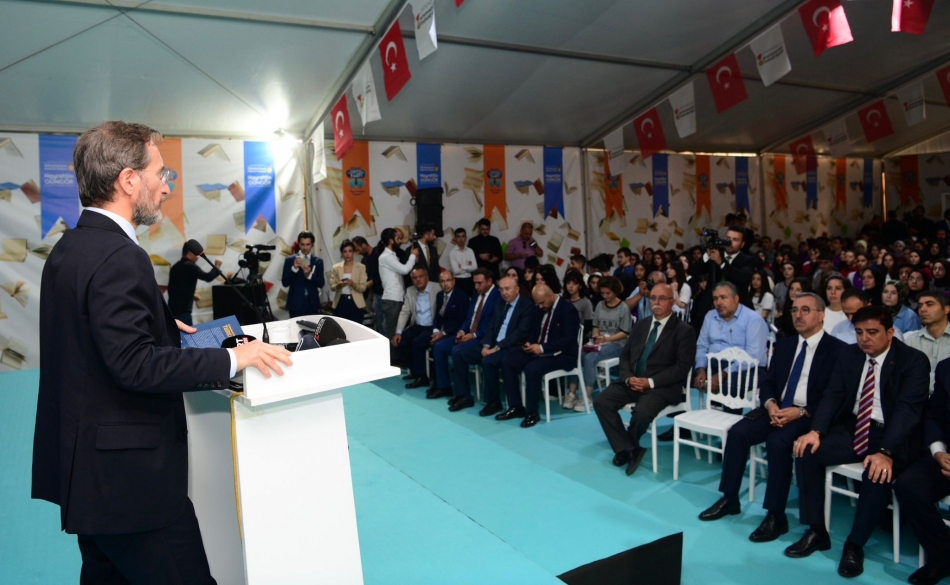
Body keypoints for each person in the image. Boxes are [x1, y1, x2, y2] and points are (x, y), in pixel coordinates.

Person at [32, 121, 292, 584]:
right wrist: (237, 358)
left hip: (89, 478)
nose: (166, 186)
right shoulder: (119, 256)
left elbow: (87, 340)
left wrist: (157, 324)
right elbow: (135, 364)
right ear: (129, 180)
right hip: (132, 488)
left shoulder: (70, 248)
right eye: (161, 173)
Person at [788, 306, 929, 578]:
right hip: (854, 427)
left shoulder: (913, 361)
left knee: (877, 473)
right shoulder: (850, 354)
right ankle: (817, 531)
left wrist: (886, 451)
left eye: (872, 332)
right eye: (859, 332)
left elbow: (907, 411)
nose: (864, 338)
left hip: (892, 434)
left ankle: (855, 545)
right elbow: (833, 394)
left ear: (890, 332)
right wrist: (816, 431)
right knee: (806, 450)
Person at [699, 293, 845, 543]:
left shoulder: (838, 350)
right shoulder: (785, 345)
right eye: (794, 310)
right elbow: (768, 382)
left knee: (777, 443)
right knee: (738, 433)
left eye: (806, 310)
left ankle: (776, 516)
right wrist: (770, 404)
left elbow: (835, 396)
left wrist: (801, 412)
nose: (798, 315)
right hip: (776, 409)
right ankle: (730, 498)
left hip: (808, 415)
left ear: (821, 315)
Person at [593, 283, 695, 475]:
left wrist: (650, 382)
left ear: (672, 302)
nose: (656, 302)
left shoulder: (684, 331)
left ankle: (627, 446)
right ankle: (629, 449)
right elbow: (625, 355)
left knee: (642, 412)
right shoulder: (641, 325)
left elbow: (681, 368)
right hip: (633, 381)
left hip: (661, 386)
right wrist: (628, 378)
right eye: (653, 298)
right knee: (601, 402)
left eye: (662, 299)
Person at [895, 358, 950, 585]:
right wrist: (938, 452)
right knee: (909, 485)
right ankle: (942, 557)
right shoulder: (946, 368)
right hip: (947, 458)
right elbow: (935, 415)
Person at [449, 275, 537, 414]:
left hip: (510, 347)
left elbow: (519, 334)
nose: (504, 293)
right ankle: (464, 396)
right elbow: (491, 327)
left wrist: (496, 348)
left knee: (488, 361)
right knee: (459, 353)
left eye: (507, 289)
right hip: (492, 344)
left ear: (517, 289)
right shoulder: (501, 303)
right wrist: (486, 345)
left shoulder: (527, 307)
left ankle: (493, 402)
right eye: (501, 289)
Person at [497, 284, 580, 428]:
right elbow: (534, 331)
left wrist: (542, 348)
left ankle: (532, 412)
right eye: (538, 303)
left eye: (542, 303)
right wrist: (529, 342)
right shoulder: (540, 309)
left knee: (532, 368)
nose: (540, 306)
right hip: (540, 350)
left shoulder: (568, 310)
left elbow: (569, 340)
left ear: (550, 295)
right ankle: (516, 406)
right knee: (508, 362)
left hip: (563, 354)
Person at [428, 269, 500, 399]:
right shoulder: (477, 294)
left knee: (457, 351)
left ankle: (464, 396)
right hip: (469, 335)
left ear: (489, 281)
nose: (476, 286)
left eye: (479, 283)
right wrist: (462, 331)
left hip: (483, 339)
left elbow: (493, 326)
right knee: (439, 347)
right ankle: (444, 387)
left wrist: (473, 335)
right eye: (474, 283)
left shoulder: (497, 297)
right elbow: (469, 318)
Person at [693, 282, 770, 401]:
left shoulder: (753, 319)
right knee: (686, 374)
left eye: (723, 297)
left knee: (731, 385)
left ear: (736, 299)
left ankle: (729, 414)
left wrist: (723, 373)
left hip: (746, 367)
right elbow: (702, 346)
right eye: (715, 298)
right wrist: (701, 369)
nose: (718, 302)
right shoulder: (710, 316)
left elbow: (753, 356)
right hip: (715, 363)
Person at [564, 276, 631, 412]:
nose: (605, 296)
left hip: (617, 343)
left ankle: (587, 396)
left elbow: (625, 332)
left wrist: (606, 339)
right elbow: (596, 326)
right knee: (576, 355)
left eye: (608, 293)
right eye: (602, 293)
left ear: (615, 291)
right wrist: (596, 336)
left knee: (590, 358)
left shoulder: (623, 307)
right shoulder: (600, 305)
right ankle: (572, 393)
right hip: (600, 341)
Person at [393, 267, 440, 385]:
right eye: (415, 278)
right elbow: (405, 312)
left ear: (427, 277)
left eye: (421, 276)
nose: (418, 280)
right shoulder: (410, 291)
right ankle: (414, 371)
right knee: (401, 340)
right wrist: (398, 332)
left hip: (432, 327)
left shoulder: (437, 288)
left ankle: (422, 377)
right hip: (417, 325)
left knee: (417, 342)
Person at [377, 227, 419, 346]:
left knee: (398, 333)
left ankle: (396, 355)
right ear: (391, 240)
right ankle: (391, 357)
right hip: (392, 300)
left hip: (396, 298)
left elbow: (402, 271)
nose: (400, 241)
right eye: (398, 238)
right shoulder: (386, 257)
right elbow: (404, 270)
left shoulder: (392, 255)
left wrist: (412, 260)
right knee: (391, 334)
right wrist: (412, 256)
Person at [167, 241, 222, 326]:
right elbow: (208, 277)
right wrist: (217, 266)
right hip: (184, 310)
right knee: (188, 332)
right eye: (196, 255)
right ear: (190, 254)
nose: (198, 258)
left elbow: (174, 288)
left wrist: (191, 295)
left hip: (172, 309)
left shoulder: (175, 267)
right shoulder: (190, 266)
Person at [903, 291, 950, 387]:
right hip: (918, 394)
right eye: (920, 306)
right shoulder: (910, 340)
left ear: (946, 309)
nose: (923, 309)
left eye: (929, 304)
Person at [704, 226, 759, 308]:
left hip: (738, 306)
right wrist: (707, 254)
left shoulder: (749, 260)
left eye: (735, 239)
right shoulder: (715, 254)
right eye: (728, 238)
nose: (729, 242)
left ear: (742, 244)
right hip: (712, 305)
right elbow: (695, 271)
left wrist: (721, 263)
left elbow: (742, 277)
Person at [282, 230, 325, 318]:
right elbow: (285, 283)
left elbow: (321, 283)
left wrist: (309, 275)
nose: (305, 247)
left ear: (312, 244)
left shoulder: (318, 261)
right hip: (295, 305)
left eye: (308, 244)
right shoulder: (290, 260)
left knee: (313, 327)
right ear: (299, 244)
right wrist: (294, 268)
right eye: (302, 244)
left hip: (312, 305)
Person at [329, 239, 368, 324]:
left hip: (356, 303)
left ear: (354, 252)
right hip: (340, 302)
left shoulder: (361, 267)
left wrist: (353, 284)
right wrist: (339, 285)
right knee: (341, 328)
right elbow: (332, 287)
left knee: (355, 328)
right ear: (341, 253)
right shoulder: (336, 267)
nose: (347, 254)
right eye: (345, 251)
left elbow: (363, 288)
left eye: (350, 251)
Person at [353, 236, 384, 333]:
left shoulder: (379, 253)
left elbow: (381, 275)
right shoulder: (364, 261)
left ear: (363, 245)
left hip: (386, 293)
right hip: (376, 294)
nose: (357, 253)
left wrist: (371, 283)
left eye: (357, 249)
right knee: (379, 323)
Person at [448, 227, 477, 295]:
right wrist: (468, 267)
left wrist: (461, 266)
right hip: (458, 281)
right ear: (455, 238)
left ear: (465, 238)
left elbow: (475, 267)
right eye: (458, 237)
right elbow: (456, 271)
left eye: (463, 236)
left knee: (470, 299)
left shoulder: (470, 251)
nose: (461, 239)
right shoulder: (452, 253)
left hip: (469, 280)